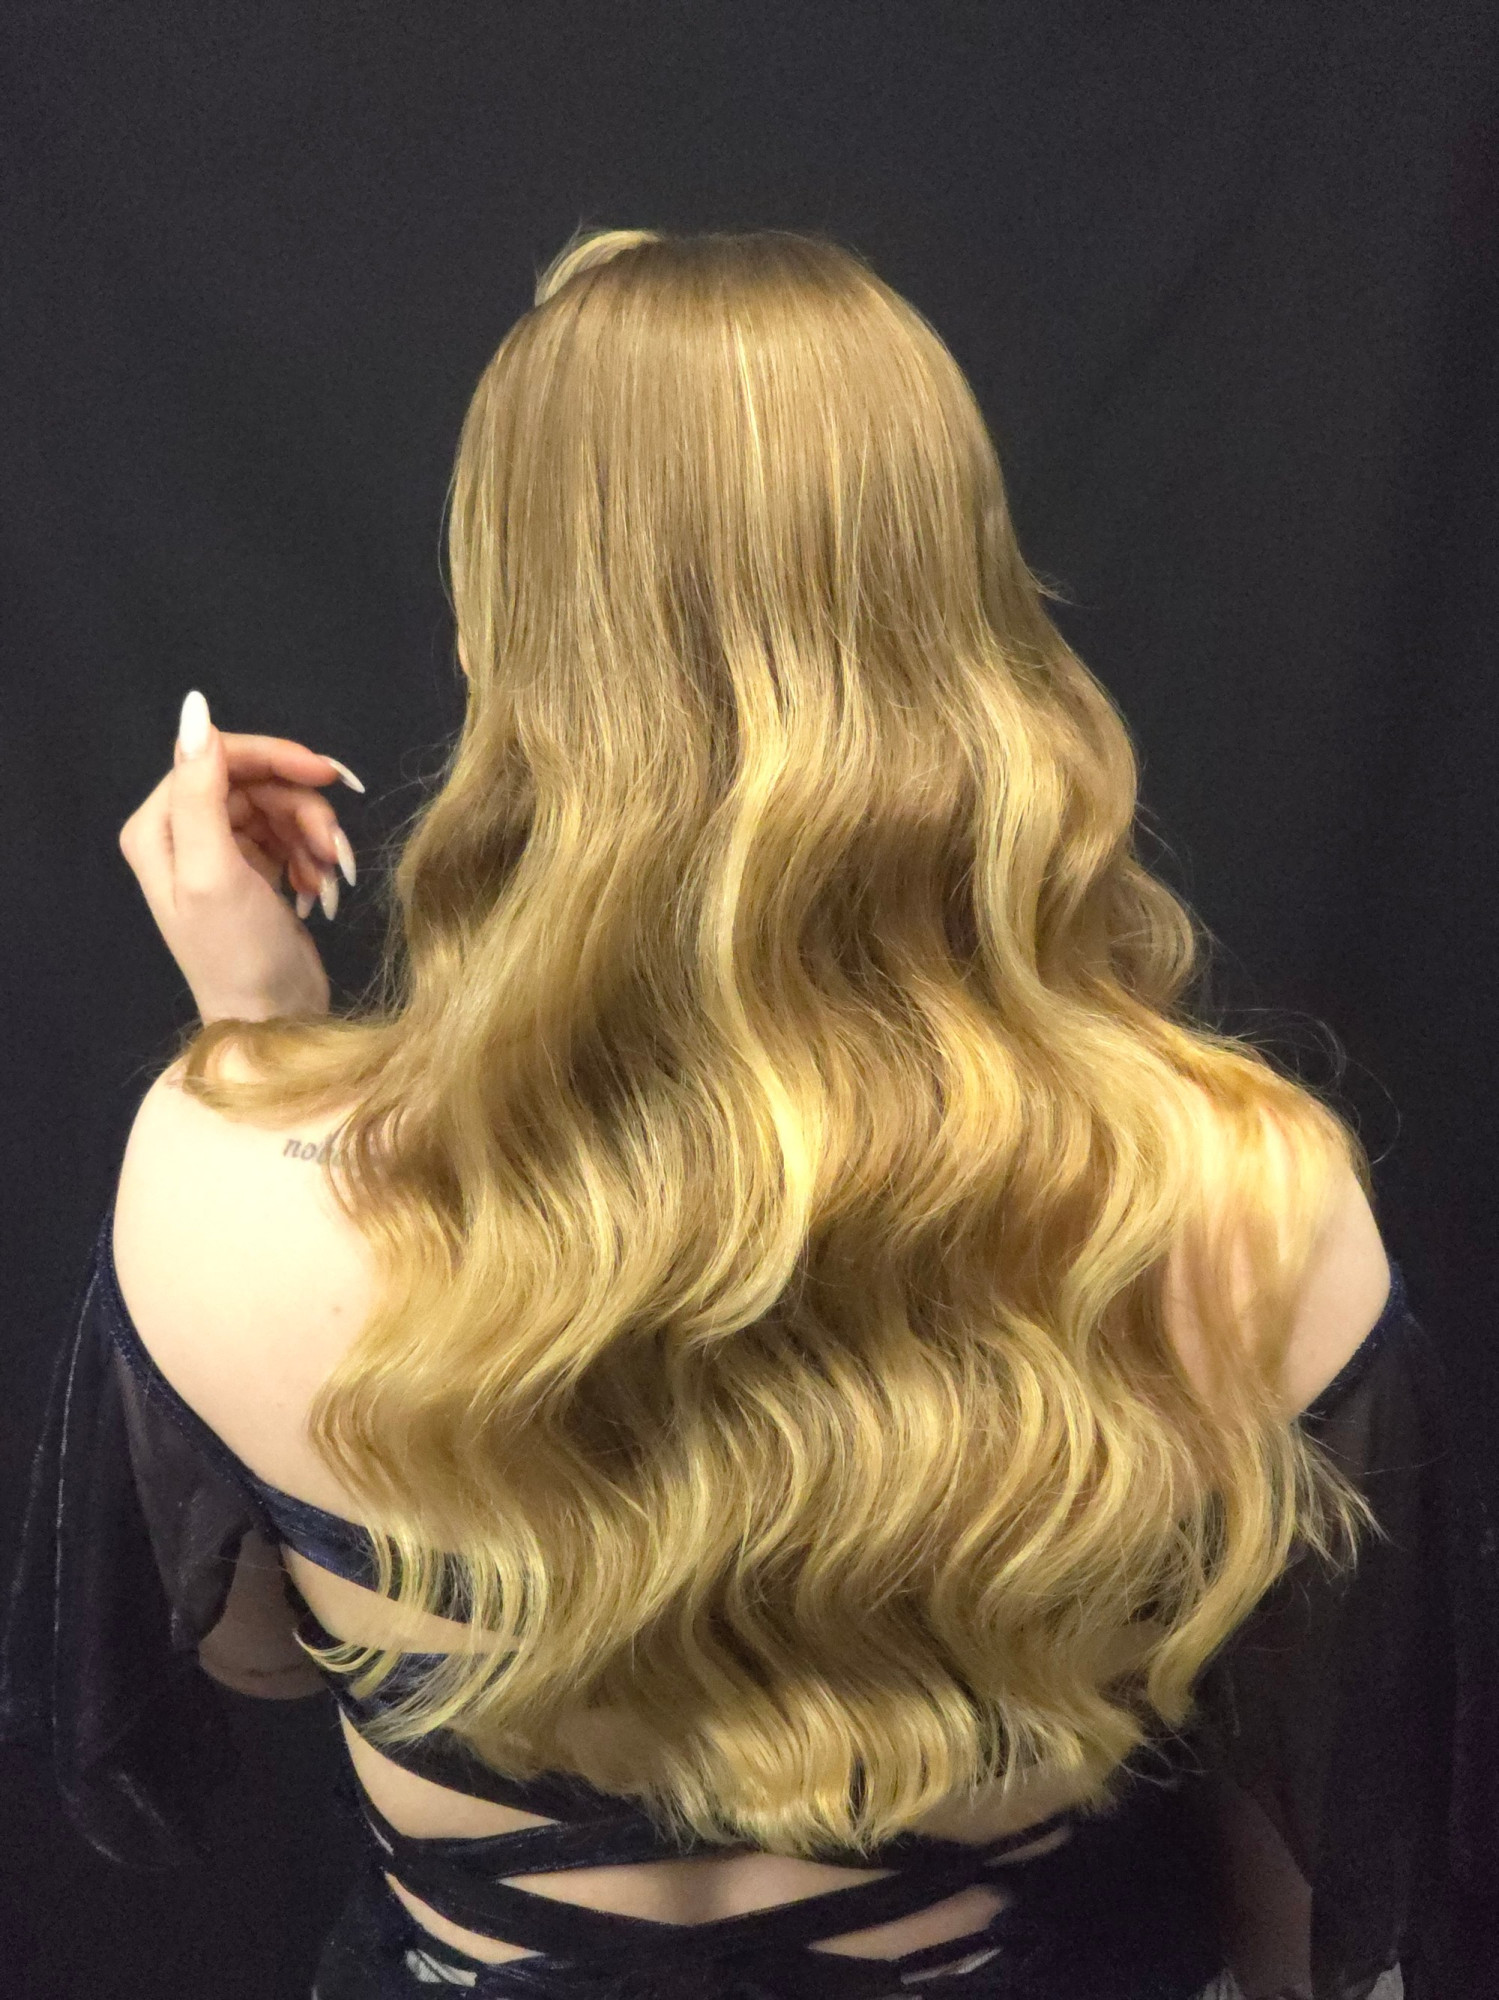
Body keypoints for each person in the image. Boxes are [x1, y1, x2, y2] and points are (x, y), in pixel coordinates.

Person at [5, 225, 1493, 2000]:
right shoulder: (1248, 1203)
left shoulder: (219, 1186)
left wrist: (256, 1044)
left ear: (499, 636)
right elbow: (1317, 1879)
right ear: (968, 616)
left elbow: (256, 1651)